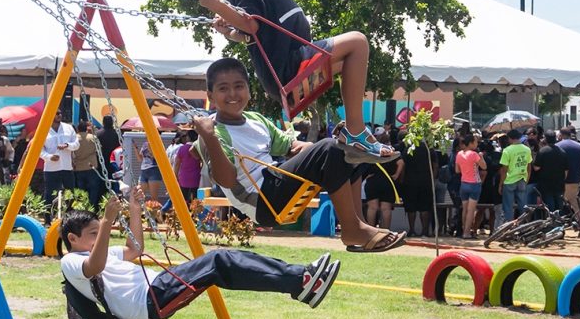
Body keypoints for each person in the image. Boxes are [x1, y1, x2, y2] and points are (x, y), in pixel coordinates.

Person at [197, 0, 396, 162]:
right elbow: (251, 24)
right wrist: (215, 4)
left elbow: (249, 34)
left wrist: (230, 32)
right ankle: (355, 131)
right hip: (289, 68)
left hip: (291, 65)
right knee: (357, 42)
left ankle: (353, 139)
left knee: (353, 59)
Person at [190, 58, 405, 252]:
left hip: (276, 184)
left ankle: (357, 224)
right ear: (210, 96)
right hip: (263, 200)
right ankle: (351, 228)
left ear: (248, 90)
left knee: (352, 149)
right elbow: (226, 180)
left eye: (239, 86)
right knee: (329, 148)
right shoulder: (213, 132)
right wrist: (209, 138)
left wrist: (311, 148)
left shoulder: (257, 120)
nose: (233, 94)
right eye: (223, 88)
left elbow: (290, 145)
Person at [60, 191, 341, 319]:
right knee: (219, 260)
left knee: (225, 265)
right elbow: (93, 268)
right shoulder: (71, 261)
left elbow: (134, 250)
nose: (100, 238)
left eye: (100, 233)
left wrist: (135, 210)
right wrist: (108, 221)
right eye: (93, 234)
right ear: (73, 238)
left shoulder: (100, 251)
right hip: (150, 299)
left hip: (156, 291)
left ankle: (302, 281)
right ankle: (300, 281)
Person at [41, 110, 78, 221]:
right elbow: (39, 149)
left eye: (60, 113)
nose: (59, 115)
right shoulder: (43, 129)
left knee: (69, 193)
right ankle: (47, 219)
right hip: (51, 168)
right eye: (56, 113)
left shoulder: (68, 128)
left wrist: (67, 145)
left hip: (67, 167)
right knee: (49, 194)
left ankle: (70, 218)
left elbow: (76, 144)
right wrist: (49, 156)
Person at [363, 130, 403, 230]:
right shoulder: (391, 151)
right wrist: (396, 175)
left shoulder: (372, 150)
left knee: (372, 207)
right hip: (387, 181)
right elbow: (401, 163)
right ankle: (386, 231)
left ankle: (371, 231)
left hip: (372, 181)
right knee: (386, 208)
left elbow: (364, 164)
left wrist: (366, 175)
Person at [455, 134, 486, 239]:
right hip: (474, 184)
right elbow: (484, 166)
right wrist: (481, 156)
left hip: (463, 183)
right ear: (471, 143)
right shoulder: (474, 154)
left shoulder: (459, 154)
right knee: (471, 210)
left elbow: (457, 170)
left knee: (465, 209)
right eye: (476, 142)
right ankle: (467, 233)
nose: (477, 144)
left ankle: (464, 230)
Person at [498, 129, 532, 223]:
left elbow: (504, 170)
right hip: (522, 179)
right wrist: (527, 179)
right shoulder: (527, 149)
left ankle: (509, 227)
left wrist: (501, 184)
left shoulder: (507, 150)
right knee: (523, 205)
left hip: (509, 181)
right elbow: (529, 167)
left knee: (508, 206)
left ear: (509, 138)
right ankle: (523, 226)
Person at [557, 127, 580, 228]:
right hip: (576, 178)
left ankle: (559, 227)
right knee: (575, 203)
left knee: (559, 204)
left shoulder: (557, 146)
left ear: (561, 135)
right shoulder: (579, 146)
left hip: (561, 180)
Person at [533, 130, 568, 212]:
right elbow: (566, 170)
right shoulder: (562, 152)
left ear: (546, 139)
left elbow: (536, 168)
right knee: (559, 203)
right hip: (559, 182)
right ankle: (560, 220)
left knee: (549, 203)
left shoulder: (542, 151)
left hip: (546, 183)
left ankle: (551, 220)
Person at [73, 121, 104, 211]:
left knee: (81, 189)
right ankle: (92, 207)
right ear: (86, 129)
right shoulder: (92, 137)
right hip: (91, 166)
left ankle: (81, 208)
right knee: (93, 189)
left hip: (78, 167)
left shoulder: (74, 138)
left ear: (78, 129)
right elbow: (99, 150)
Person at [171, 130, 203, 213]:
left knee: (184, 198)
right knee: (196, 198)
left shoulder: (182, 148)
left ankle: (184, 215)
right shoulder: (198, 148)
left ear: (188, 137)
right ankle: (195, 215)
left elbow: (177, 163)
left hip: (184, 177)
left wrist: (175, 175)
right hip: (196, 176)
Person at [135, 138, 164, 207]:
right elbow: (140, 159)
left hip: (154, 170)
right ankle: (142, 214)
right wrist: (136, 149)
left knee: (154, 198)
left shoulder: (158, 144)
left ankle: (156, 215)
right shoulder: (145, 144)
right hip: (144, 170)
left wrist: (150, 148)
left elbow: (157, 157)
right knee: (139, 194)